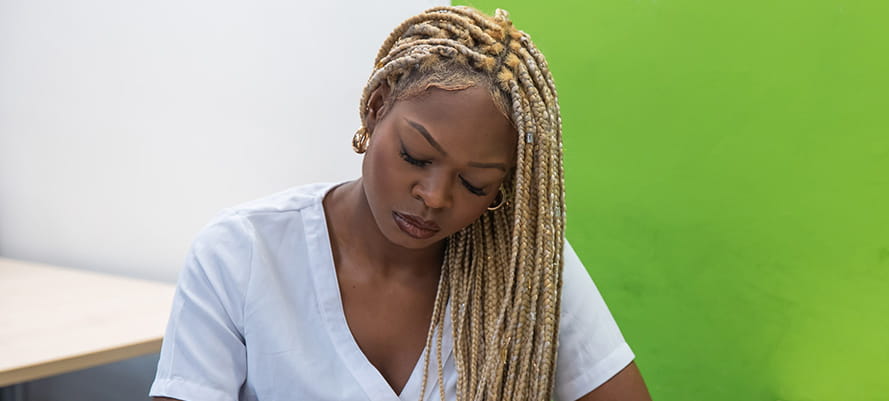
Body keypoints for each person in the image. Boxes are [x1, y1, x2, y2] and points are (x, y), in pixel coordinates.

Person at [149, 6, 650, 401]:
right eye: (416, 156)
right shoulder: (241, 254)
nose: (434, 197)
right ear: (376, 106)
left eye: (475, 185)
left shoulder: (527, 266)